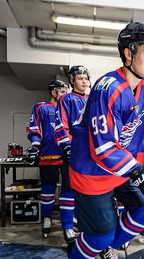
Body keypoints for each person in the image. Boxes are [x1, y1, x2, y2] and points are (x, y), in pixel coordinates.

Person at [64, 22, 144, 259]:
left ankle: (107, 250)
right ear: (128, 53)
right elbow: (102, 148)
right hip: (90, 169)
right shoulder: (106, 87)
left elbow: (141, 134)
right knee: (100, 233)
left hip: (121, 167)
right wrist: (137, 171)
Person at [26, 80, 72, 241]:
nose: (65, 94)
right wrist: (34, 146)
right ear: (53, 92)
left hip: (68, 157)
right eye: (62, 91)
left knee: (70, 191)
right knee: (47, 190)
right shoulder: (42, 108)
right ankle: (47, 218)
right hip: (48, 156)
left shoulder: (69, 109)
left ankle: (69, 220)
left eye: (66, 91)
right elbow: (35, 129)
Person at [52, 65, 91, 243]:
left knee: (87, 190)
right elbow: (60, 124)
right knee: (68, 189)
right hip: (73, 152)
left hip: (91, 154)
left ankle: (84, 223)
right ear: (72, 81)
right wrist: (67, 146)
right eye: (80, 78)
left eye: (85, 78)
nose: (84, 81)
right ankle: (67, 227)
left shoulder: (93, 99)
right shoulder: (66, 99)